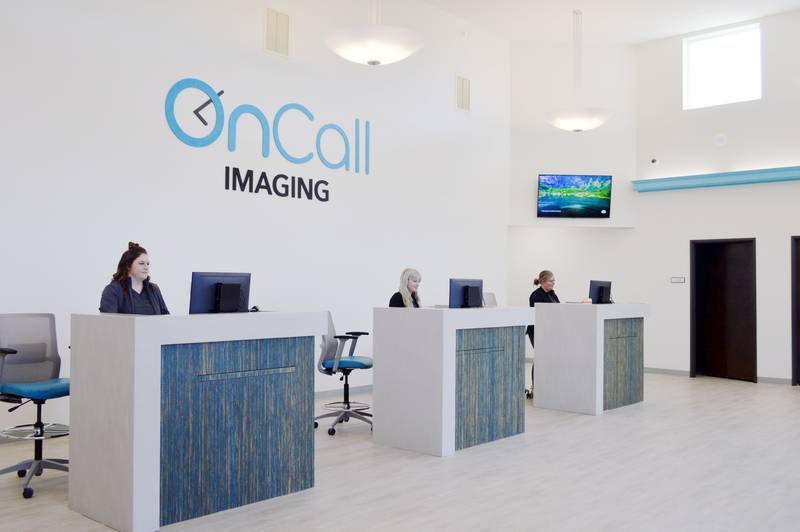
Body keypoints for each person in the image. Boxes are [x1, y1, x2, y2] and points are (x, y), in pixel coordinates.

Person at [99, 242, 170, 315]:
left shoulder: (154, 289)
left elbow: (166, 319)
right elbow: (108, 323)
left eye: (147, 264)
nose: (146, 267)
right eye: (141, 263)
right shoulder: (113, 290)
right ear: (128, 266)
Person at [526, 270, 559, 396]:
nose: (553, 283)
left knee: (548, 357)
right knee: (540, 357)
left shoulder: (552, 294)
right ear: (543, 281)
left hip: (549, 331)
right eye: (551, 281)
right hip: (536, 331)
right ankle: (536, 387)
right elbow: (538, 315)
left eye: (554, 281)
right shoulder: (535, 295)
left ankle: (547, 385)